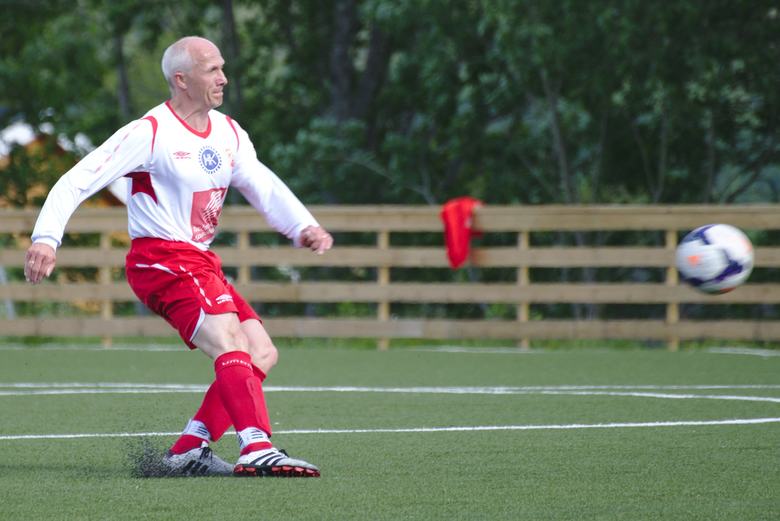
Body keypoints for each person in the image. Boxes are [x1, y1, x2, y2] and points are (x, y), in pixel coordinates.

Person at [24, 36, 332, 478]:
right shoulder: (149, 132)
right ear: (181, 79)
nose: (223, 77)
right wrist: (46, 238)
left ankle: (190, 448)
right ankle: (257, 446)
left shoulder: (229, 132)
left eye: (223, 68)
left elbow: (260, 181)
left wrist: (301, 224)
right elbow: (77, 180)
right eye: (212, 70)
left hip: (199, 260)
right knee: (229, 339)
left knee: (261, 352)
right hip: (160, 258)